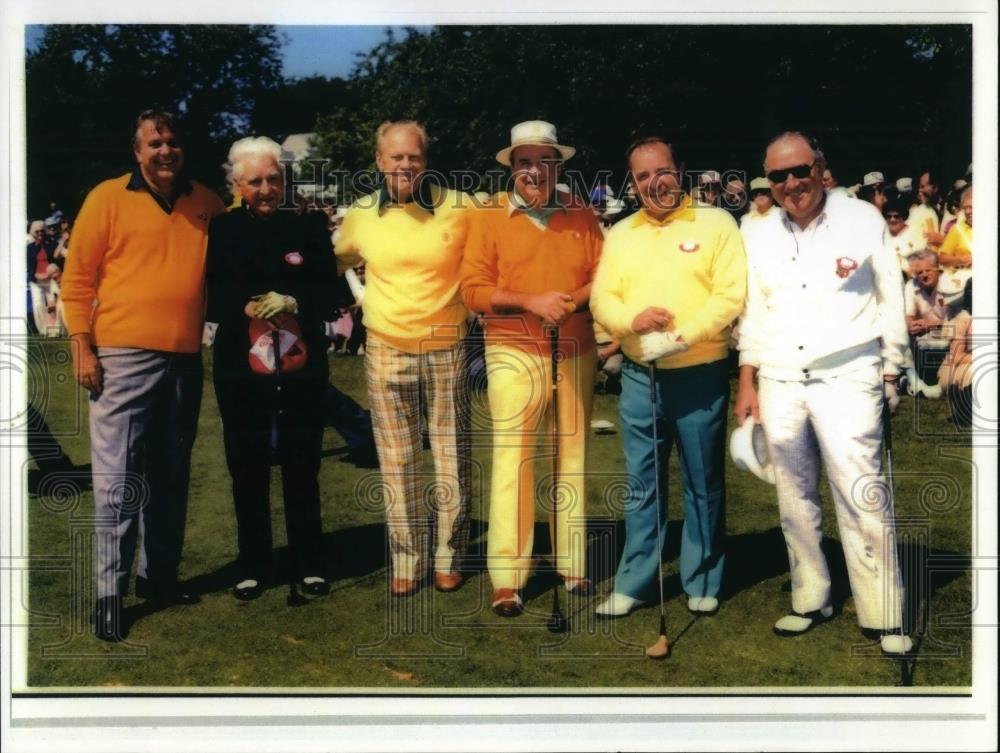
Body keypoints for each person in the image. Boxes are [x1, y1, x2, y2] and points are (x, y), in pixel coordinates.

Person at [734, 132, 913, 655]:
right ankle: (811, 598)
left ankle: (886, 612)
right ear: (769, 181)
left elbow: (890, 298)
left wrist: (892, 372)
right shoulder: (757, 233)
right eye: (779, 176)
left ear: (820, 167)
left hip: (850, 373)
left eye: (800, 170)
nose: (792, 184)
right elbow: (755, 315)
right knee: (793, 497)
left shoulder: (863, 218)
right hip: (782, 377)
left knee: (862, 494)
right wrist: (748, 381)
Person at [60, 109, 225, 641]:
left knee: (171, 475)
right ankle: (110, 594)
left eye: (173, 142)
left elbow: (244, 247)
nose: (165, 151)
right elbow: (77, 282)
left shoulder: (207, 203)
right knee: (117, 481)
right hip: (122, 357)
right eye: (155, 143)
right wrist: (82, 346)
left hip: (183, 357)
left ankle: (159, 578)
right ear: (137, 151)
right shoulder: (106, 198)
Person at [589, 136, 746, 617]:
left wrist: (682, 336)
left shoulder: (717, 222)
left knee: (703, 481)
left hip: (699, 373)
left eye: (662, 171)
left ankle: (703, 577)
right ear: (632, 183)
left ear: (680, 170)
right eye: (641, 176)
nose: (653, 183)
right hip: (640, 376)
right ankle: (634, 582)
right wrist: (629, 322)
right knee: (642, 484)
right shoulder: (620, 232)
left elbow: (730, 296)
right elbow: (602, 298)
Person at [461, 120, 603, 616]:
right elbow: (473, 290)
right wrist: (531, 302)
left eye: (545, 161)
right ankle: (508, 577)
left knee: (573, 456)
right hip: (512, 351)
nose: (534, 171)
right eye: (525, 162)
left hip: (575, 349)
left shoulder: (582, 215)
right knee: (513, 461)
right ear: (513, 167)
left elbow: (602, 277)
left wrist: (569, 301)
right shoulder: (488, 217)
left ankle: (572, 562)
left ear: (558, 166)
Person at [336, 120, 472, 598]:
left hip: (446, 346)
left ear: (425, 160)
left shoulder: (461, 206)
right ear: (379, 161)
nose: (405, 164)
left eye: (413, 156)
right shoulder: (360, 213)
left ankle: (449, 557)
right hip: (385, 347)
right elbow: (333, 260)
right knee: (397, 462)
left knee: (452, 458)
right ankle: (406, 559)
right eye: (395, 157)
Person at [206, 136, 337, 601]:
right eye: (255, 181)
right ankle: (253, 564)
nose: (265, 189)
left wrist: (295, 300)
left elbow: (333, 295)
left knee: (302, 465)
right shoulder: (222, 229)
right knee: (247, 464)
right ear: (237, 183)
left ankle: (310, 562)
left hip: (301, 366)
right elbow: (211, 295)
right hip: (240, 367)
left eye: (273, 179)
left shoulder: (307, 226)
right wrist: (245, 306)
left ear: (285, 180)